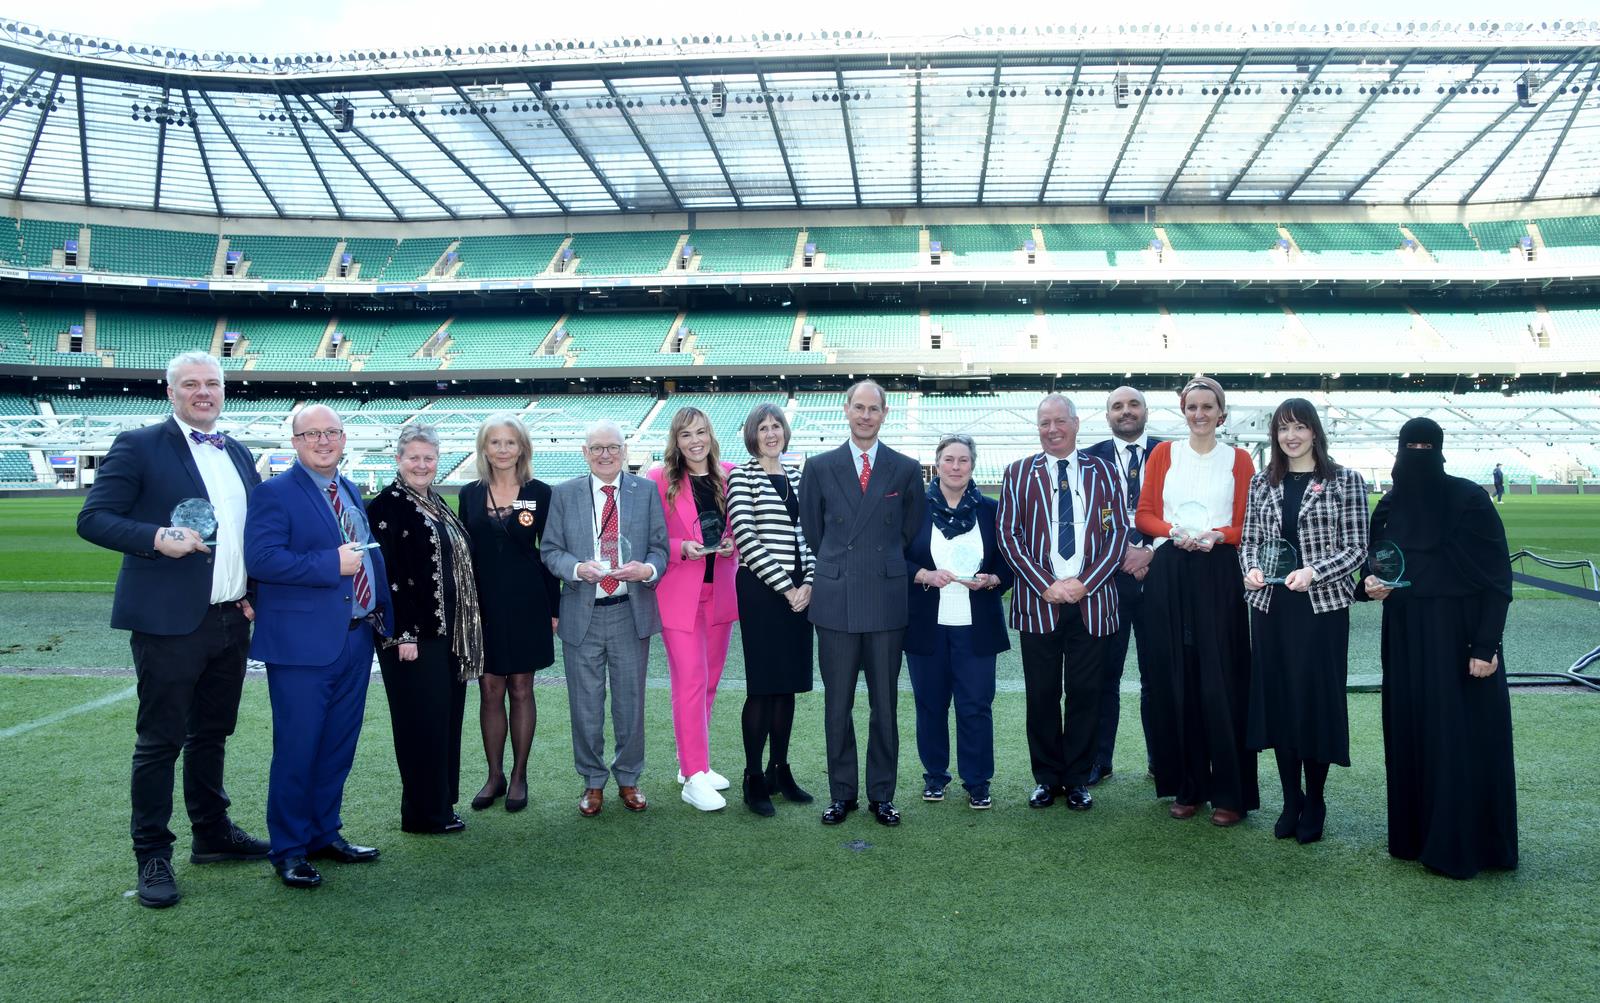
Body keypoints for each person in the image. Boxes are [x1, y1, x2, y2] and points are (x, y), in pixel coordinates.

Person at [76, 350, 268, 909]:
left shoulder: (237, 451)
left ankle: (212, 832)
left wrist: (253, 593)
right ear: (171, 393)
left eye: (212, 383)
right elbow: (93, 518)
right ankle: (152, 854)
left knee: (212, 733)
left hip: (232, 616)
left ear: (224, 390)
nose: (203, 392)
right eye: (191, 384)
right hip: (168, 622)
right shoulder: (139, 445)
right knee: (160, 741)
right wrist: (157, 536)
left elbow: (246, 535)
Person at [1361, 418, 1517, 879]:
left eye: (1427, 446)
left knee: (1459, 738)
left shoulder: (1470, 500)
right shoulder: (1388, 507)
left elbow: (1496, 580)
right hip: (1406, 639)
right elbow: (1380, 565)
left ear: (1441, 450)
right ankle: (1413, 837)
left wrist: (1486, 646)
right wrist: (1368, 584)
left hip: (1460, 639)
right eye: (1411, 446)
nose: (1418, 454)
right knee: (1412, 731)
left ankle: (1468, 845)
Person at [245, 404, 392, 889]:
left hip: (353, 638)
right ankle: (288, 849)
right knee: (298, 748)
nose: (323, 441)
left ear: (344, 438)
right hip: (301, 648)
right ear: (295, 442)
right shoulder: (274, 493)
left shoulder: (348, 488)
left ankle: (324, 833)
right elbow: (263, 559)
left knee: (337, 747)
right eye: (312, 434)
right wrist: (330, 564)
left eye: (332, 432)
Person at [1240, 399, 1369, 844]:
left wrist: (1315, 571)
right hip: (1271, 608)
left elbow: (1356, 548)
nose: (1290, 436)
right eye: (1282, 429)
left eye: (1299, 427)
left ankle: (1315, 798)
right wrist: (1251, 570)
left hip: (1321, 610)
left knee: (1314, 703)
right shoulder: (1262, 482)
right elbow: (1251, 541)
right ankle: (1290, 798)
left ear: (1315, 432)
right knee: (1280, 702)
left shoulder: (1345, 481)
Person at [799, 379, 923, 827]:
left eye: (874, 409)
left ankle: (882, 795)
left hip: (887, 602)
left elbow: (909, 532)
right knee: (838, 704)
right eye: (859, 407)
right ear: (846, 410)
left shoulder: (905, 468)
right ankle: (842, 793)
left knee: (885, 704)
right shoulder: (819, 466)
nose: (866, 415)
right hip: (835, 600)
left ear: (885, 414)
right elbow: (814, 531)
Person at [997, 395, 1129, 812]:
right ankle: (1047, 778)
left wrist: (1084, 584)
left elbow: (1117, 532)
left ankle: (1077, 778)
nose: (1051, 429)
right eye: (1043, 423)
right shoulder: (1018, 473)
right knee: (1041, 694)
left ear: (1075, 424)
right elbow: (1008, 535)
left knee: (1086, 692)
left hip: (1092, 603)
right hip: (1039, 603)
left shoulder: (1105, 472)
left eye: (1059, 421)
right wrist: (1045, 584)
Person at [1134, 377, 1257, 827]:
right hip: (1171, 571)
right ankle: (1189, 786)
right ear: (1183, 411)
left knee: (1219, 681)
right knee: (1177, 677)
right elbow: (1144, 514)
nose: (1200, 413)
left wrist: (1216, 536)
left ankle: (1230, 792)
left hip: (1217, 570)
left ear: (1221, 413)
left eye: (1209, 406)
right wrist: (1173, 532)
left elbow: (1246, 523)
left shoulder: (1239, 459)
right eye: (1193, 406)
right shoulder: (1164, 454)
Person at [540, 420, 669, 817]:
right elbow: (550, 551)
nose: (605, 454)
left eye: (612, 447)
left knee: (630, 704)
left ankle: (629, 777)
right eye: (597, 448)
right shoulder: (563, 494)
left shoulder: (645, 492)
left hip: (630, 613)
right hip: (583, 613)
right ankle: (592, 781)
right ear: (585, 453)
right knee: (585, 706)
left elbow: (660, 549)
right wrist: (578, 569)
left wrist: (646, 571)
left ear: (624, 451)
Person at [367, 424, 484, 835]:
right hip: (414, 638)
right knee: (421, 724)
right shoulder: (387, 505)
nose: (421, 464)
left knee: (445, 719)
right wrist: (404, 635)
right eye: (413, 457)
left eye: (428, 458)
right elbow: (389, 575)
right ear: (398, 460)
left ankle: (441, 804)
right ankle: (422, 814)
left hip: (449, 633)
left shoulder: (434, 501)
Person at [904, 434, 1013, 810]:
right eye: (948, 459)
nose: (955, 467)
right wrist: (922, 575)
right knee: (930, 704)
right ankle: (935, 776)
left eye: (963, 460)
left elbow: (1009, 561)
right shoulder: (914, 507)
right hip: (926, 625)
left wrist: (994, 579)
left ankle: (977, 780)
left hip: (976, 626)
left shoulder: (991, 510)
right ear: (937, 464)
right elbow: (894, 558)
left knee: (975, 706)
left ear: (973, 465)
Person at [457, 415, 560, 814]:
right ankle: (494, 775)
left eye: (510, 442)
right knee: (489, 690)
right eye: (495, 442)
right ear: (484, 448)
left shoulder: (539, 492)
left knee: (521, 688)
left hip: (527, 603)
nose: (503, 450)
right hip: (482, 607)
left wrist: (553, 608)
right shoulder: (469, 493)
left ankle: (519, 775)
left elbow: (548, 552)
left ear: (522, 448)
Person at [646, 406, 740, 812]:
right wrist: (678, 548)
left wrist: (736, 542)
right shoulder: (658, 479)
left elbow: (743, 526)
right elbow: (644, 539)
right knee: (690, 681)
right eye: (686, 435)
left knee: (711, 680)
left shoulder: (731, 474)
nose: (695, 440)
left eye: (701, 432)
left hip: (719, 592)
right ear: (676, 441)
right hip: (678, 596)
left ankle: (690, 765)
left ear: (711, 434)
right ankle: (694, 775)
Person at [726, 403, 816, 816]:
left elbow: (811, 536)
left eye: (776, 425)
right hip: (763, 592)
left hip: (801, 594)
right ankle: (753, 776)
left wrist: (809, 584)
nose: (770, 433)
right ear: (752, 435)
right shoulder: (741, 476)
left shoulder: (799, 476)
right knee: (763, 687)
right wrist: (787, 588)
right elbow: (745, 535)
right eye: (762, 427)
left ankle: (780, 769)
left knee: (788, 685)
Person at [1081, 385, 1162, 786]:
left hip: (1160, 577)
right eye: (1117, 406)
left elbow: (1182, 509)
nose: (1125, 412)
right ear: (1107, 414)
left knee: (1160, 673)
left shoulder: (1171, 454)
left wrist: (1149, 550)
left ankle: (1162, 759)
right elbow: (1083, 520)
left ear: (1146, 411)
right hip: (1106, 582)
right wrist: (1122, 554)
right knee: (1103, 675)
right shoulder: (1087, 459)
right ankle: (1099, 758)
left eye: (1133, 404)